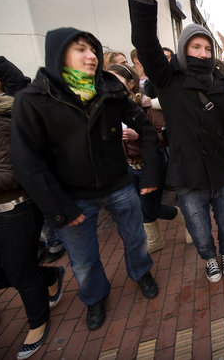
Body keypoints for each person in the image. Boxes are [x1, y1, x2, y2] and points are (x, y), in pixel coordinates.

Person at [11, 28, 162, 332]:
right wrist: (60, 208)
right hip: (72, 196)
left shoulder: (109, 89)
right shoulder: (34, 99)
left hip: (119, 185)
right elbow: (28, 162)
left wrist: (150, 173)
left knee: (135, 237)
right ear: (59, 54)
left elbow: (145, 130)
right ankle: (94, 297)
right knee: (82, 258)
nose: (91, 55)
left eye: (92, 49)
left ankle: (141, 272)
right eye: (80, 49)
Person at [128, 0, 224, 283]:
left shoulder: (221, 86)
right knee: (199, 233)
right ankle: (209, 258)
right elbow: (145, 42)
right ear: (184, 50)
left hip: (223, 175)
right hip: (188, 178)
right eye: (194, 47)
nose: (201, 53)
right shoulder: (168, 80)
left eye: (206, 48)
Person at [0, 92, 64, 358]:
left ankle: (37, 323)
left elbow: (10, 175)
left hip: (13, 210)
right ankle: (50, 276)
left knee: (21, 271)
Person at [109, 63, 191, 251]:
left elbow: (164, 136)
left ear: (131, 83)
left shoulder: (147, 107)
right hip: (130, 166)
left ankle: (188, 221)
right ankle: (154, 240)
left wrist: (139, 136)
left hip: (151, 165)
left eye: (115, 80)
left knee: (152, 207)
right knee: (142, 207)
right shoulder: (111, 108)